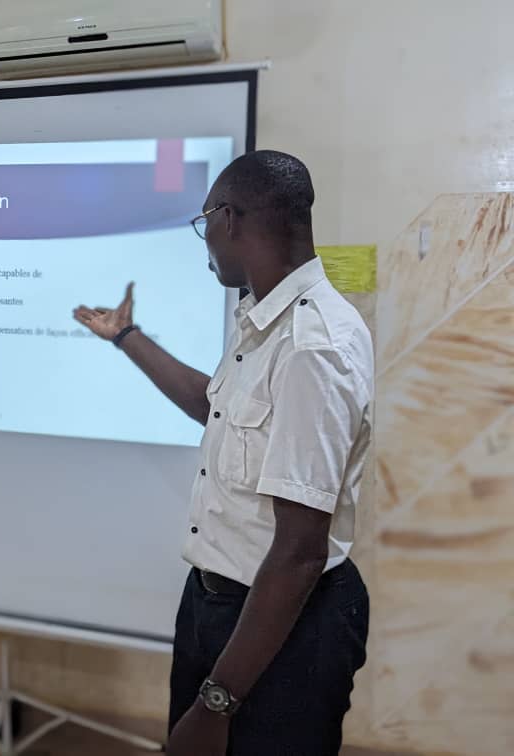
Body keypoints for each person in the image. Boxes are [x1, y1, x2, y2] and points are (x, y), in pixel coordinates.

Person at [73, 150, 372, 756]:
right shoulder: (262, 318)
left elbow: (298, 553)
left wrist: (217, 703)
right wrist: (128, 338)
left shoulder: (312, 346)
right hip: (219, 606)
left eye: (204, 220)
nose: (204, 238)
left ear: (230, 219)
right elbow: (212, 405)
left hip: (286, 625)